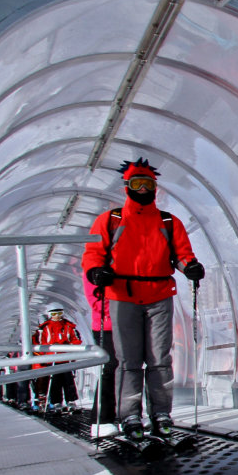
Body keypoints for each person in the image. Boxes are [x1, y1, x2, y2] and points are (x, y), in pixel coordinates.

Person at [82, 159, 205, 443]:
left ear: (154, 188)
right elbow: (93, 253)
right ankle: (129, 415)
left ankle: (161, 413)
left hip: (159, 295)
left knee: (160, 358)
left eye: (147, 184)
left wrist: (190, 267)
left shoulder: (167, 221)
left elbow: (182, 254)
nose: (142, 189)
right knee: (129, 360)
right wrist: (96, 271)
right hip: (122, 296)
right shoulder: (109, 220)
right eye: (137, 183)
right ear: (127, 187)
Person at [83, 270, 119, 434]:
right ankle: (101, 419)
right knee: (109, 367)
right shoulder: (95, 265)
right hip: (107, 326)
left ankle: (130, 415)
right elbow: (96, 300)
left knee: (130, 367)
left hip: (127, 323)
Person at [31, 307, 82, 411]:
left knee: (68, 380)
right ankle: (56, 402)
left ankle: (71, 400)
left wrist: (67, 345)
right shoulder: (45, 328)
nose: (57, 316)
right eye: (54, 314)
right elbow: (40, 342)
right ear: (50, 315)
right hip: (52, 358)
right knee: (55, 381)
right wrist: (49, 349)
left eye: (59, 313)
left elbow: (76, 339)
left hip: (66, 358)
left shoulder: (68, 326)